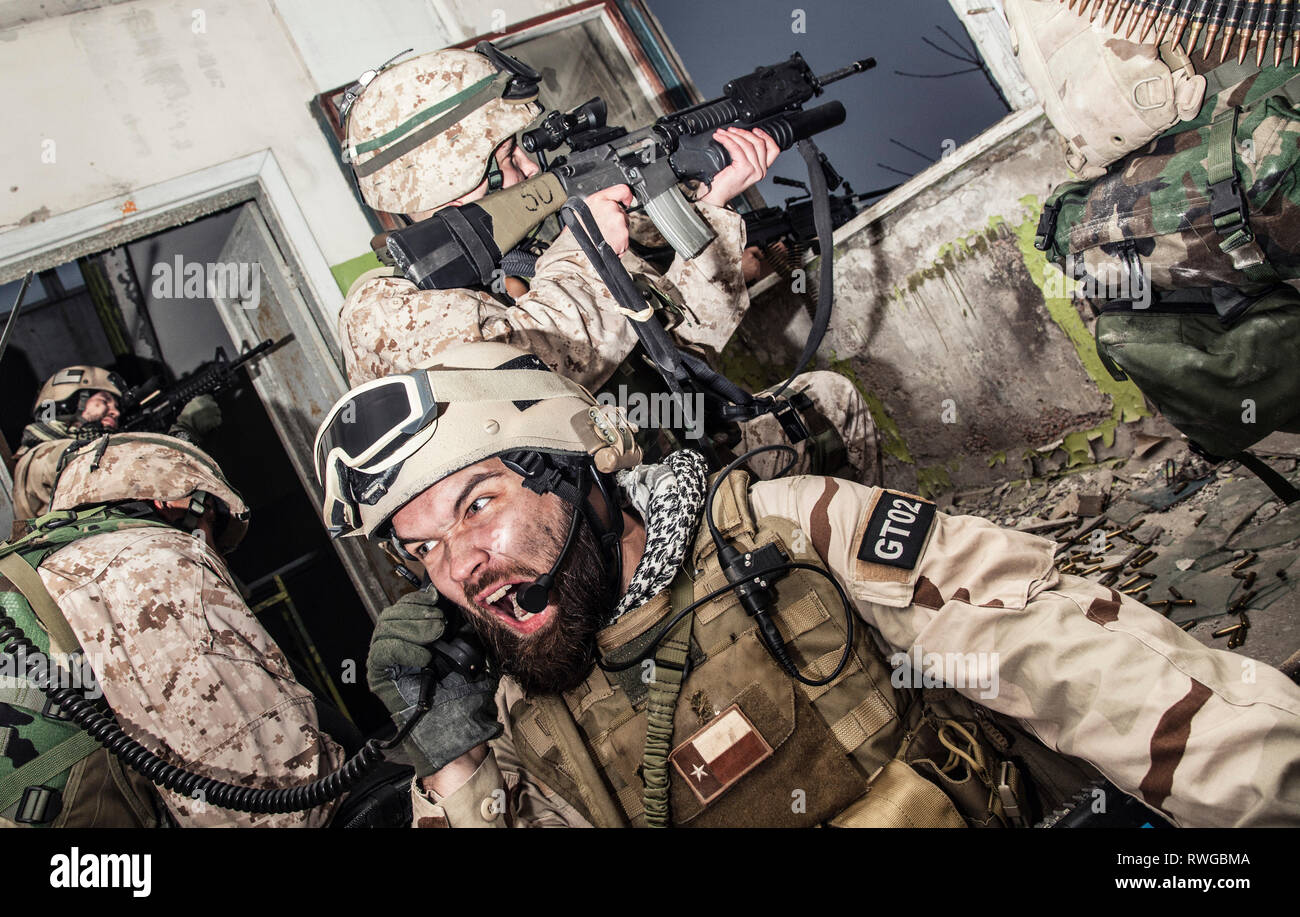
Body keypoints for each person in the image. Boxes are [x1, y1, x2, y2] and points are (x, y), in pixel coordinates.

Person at [314, 342, 1300, 828]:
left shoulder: (789, 531)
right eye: (421, 551)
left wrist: (1271, 782)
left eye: (477, 506)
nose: (459, 566)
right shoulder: (520, 707)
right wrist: (452, 769)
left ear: (578, 461)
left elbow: (1078, 665)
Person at [336, 45, 874, 480]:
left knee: (828, 403)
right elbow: (536, 379)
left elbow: (690, 349)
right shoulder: (383, 312)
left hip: (675, 452)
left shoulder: (528, 259)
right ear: (447, 180)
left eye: (525, 149)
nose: (529, 168)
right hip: (604, 519)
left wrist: (710, 206)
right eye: (507, 159)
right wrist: (588, 244)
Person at [0, 433, 341, 827]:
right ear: (173, 503)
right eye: (214, 524)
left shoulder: (43, 566)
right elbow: (283, 805)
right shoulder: (146, 563)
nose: (216, 552)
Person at [11, 365, 221, 521]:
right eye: (103, 401)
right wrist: (186, 428)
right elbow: (131, 473)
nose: (115, 412)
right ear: (71, 403)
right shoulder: (43, 455)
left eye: (117, 407)